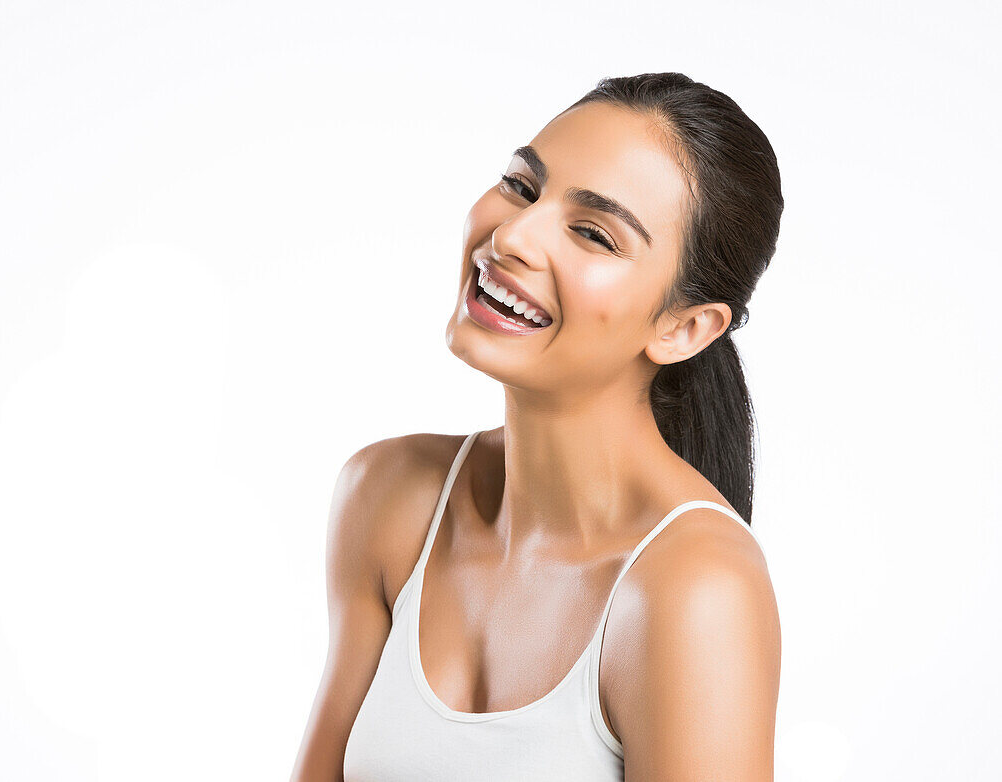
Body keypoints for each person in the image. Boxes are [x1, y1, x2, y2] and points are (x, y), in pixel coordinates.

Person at [291, 72, 783, 781]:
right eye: (522, 186)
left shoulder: (693, 589)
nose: (512, 235)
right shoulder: (390, 497)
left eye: (592, 233)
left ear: (684, 327)